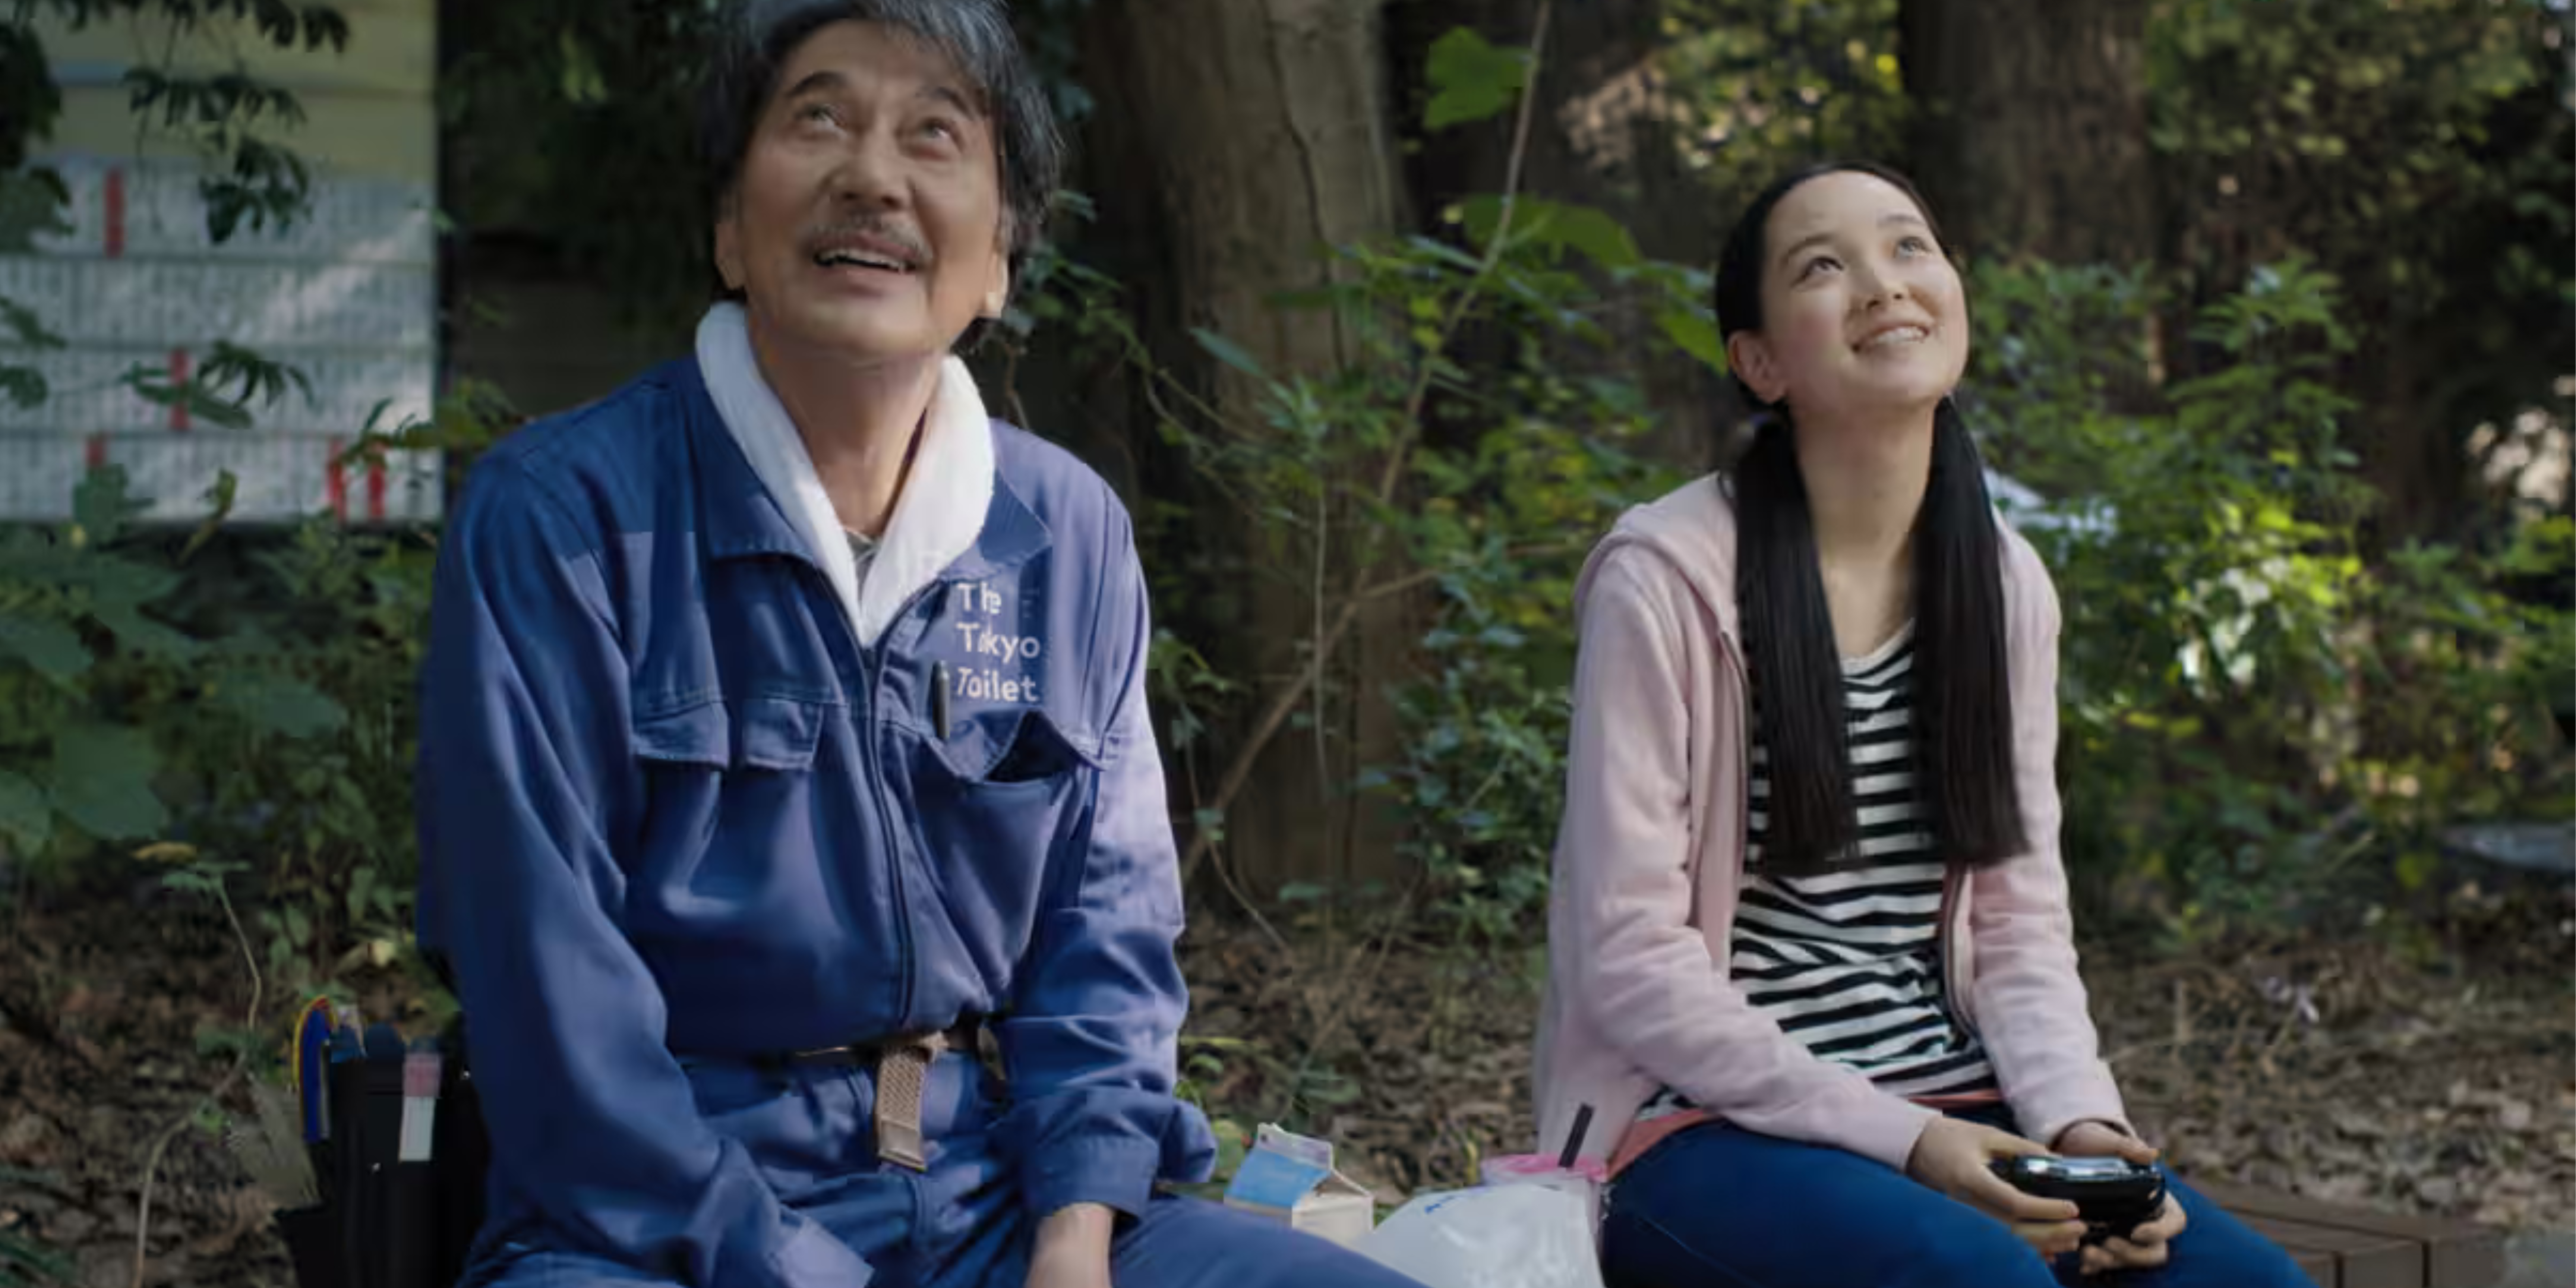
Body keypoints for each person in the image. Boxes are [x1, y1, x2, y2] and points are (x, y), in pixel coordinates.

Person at [413, 4, 1429, 1287]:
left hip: (991, 1197)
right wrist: (779, 1260)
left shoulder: (1066, 535)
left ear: (1000, 257)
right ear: (729, 226)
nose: (874, 176)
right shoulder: (562, 519)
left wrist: (1075, 1236)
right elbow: (546, 1006)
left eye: (935, 132)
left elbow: (1102, 944)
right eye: (820, 118)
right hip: (647, 1224)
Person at [1529, 161, 2314, 1288]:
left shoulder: (2001, 584)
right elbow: (1631, 962)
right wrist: (1913, 1144)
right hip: (1694, 1133)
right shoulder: (1665, 580)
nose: (1882, 283)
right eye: (1823, 265)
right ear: (1758, 361)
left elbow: (2018, 927)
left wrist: (2086, 1133)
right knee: (1975, 1280)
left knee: (2247, 1287)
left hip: (1965, 1107)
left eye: (1909, 248)